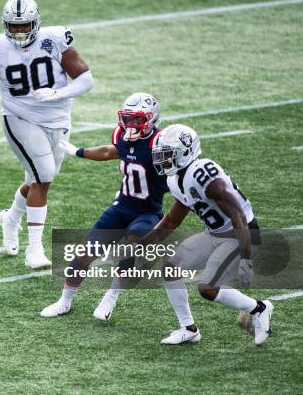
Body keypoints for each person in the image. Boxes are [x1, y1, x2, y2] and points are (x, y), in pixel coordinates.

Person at [0, 0, 94, 269]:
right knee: (44, 176)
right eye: (13, 26)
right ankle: (35, 249)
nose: (18, 31)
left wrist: (57, 94)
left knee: (37, 178)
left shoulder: (55, 40)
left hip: (59, 117)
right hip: (19, 116)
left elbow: (86, 79)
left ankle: (11, 218)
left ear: (36, 23)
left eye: (24, 26)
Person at [41, 93, 169, 319]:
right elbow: (111, 151)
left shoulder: (160, 143)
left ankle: (110, 297)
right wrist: (78, 152)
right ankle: (65, 301)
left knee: (132, 245)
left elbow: (172, 177)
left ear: (151, 119)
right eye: (128, 118)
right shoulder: (121, 134)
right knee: (84, 252)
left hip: (148, 211)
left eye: (137, 119)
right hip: (121, 206)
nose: (130, 124)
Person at [142, 124, 270, 345]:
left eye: (166, 155)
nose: (161, 161)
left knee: (207, 288)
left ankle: (259, 309)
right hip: (215, 234)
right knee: (171, 267)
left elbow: (238, 214)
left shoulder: (202, 173)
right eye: (159, 156)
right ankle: (189, 329)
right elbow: (171, 220)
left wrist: (246, 258)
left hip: (242, 234)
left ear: (184, 153)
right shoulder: (175, 179)